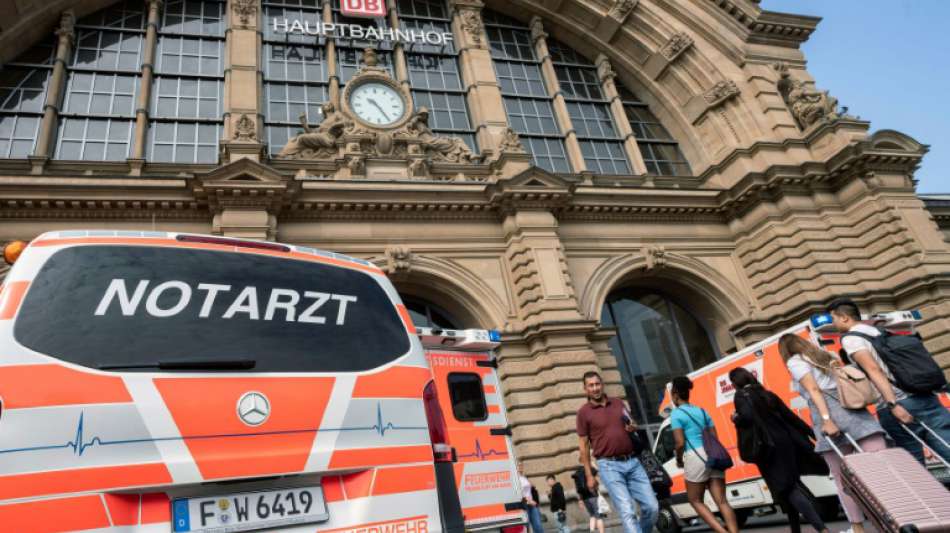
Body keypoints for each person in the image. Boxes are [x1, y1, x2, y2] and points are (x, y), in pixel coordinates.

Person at [778, 333, 887, 533]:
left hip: (829, 414)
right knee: (880, 469)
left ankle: (857, 527)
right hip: (856, 411)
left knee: (842, 477)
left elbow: (814, 390)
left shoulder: (795, 361)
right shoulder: (825, 355)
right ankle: (891, 520)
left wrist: (827, 420)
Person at [827, 298, 950, 465]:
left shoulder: (851, 339)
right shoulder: (878, 331)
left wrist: (892, 405)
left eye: (833, 318)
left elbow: (873, 370)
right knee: (947, 447)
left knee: (913, 463)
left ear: (844, 318)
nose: (834, 324)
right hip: (925, 397)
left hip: (897, 404)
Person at [730, 367, 831, 533]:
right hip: (787, 445)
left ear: (735, 383)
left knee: (787, 489)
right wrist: (813, 434)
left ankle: (822, 529)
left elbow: (747, 417)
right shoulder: (767, 394)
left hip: (769, 450)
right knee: (786, 488)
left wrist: (736, 418)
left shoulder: (741, 395)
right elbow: (791, 417)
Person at [576, 371, 658, 533]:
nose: (595, 388)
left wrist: (633, 426)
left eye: (597, 384)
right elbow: (583, 447)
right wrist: (589, 475)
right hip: (609, 466)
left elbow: (631, 422)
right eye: (590, 385)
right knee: (627, 510)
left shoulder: (618, 403)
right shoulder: (583, 413)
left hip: (633, 462)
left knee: (652, 507)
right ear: (585, 389)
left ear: (602, 384)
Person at [669, 376, 739, 533]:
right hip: (712, 454)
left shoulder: (676, 414)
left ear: (675, 394)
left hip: (695, 456)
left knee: (695, 500)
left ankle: (722, 532)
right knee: (722, 501)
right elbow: (714, 437)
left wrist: (679, 460)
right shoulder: (702, 411)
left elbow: (680, 443)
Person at [571, 462, 605, 533]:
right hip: (593, 495)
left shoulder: (577, 472)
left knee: (592, 515)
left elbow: (577, 488)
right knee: (599, 517)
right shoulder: (589, 469)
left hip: (585, 498)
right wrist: (593, 465)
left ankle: (592, 530)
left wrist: (580, 500)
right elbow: (600, 475)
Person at [518, 461, 543, 533]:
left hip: (532, 504)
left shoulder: (524, 477)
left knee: (538, 526)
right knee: (526, 527)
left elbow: (530, 489)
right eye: (519, 465)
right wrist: (528, 501)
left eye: (521, 465)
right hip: (524, 504)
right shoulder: (515, 478)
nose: (521, 467)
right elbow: (519, 493)